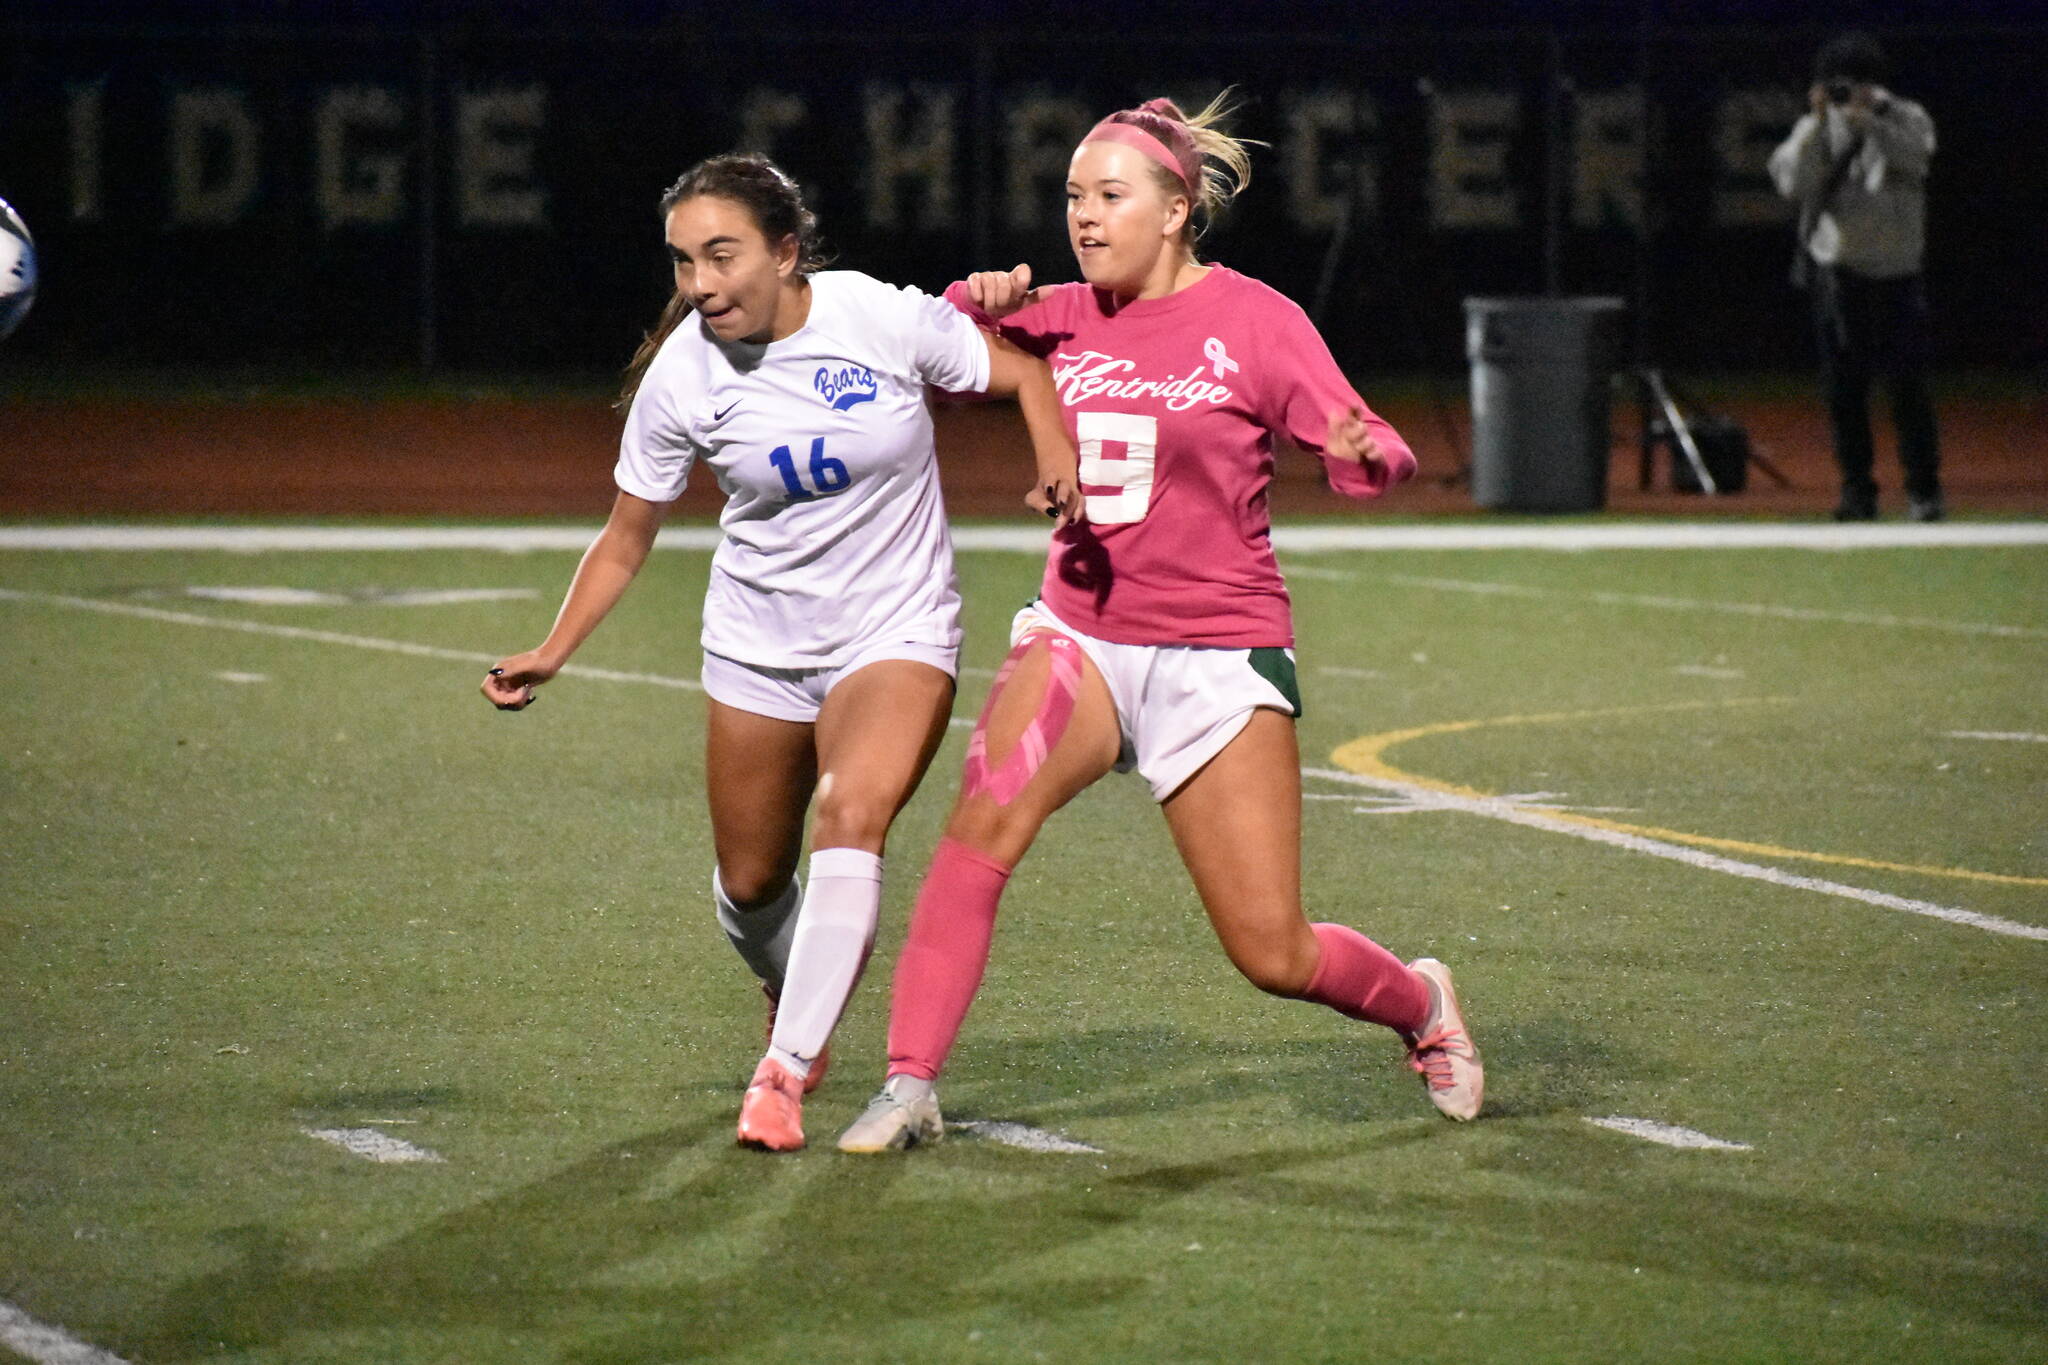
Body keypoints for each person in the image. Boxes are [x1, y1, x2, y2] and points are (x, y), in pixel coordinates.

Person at [836, 95, 1481, 1155]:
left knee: (1271, 951)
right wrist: (971, 294)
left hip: (1215, 658)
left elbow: (1364, 443)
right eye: (1071, 199)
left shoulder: (1258, 321)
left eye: (1108, 196)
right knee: (977, 831)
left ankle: (1418, 1005)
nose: (1082, 218)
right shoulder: (1055, 312)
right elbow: (919, 344)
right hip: (1077, 636)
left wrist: (1373, 454)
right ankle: (908, 1084)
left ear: (1176, 210)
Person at [480, 153, 1080, 1153]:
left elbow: (1018, 368)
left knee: (851, 813)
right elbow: (628, 534)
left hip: (895, 630)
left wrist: (1054, 457)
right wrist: (554, 647)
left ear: (786, 251)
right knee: (751, 886)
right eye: (682, 263)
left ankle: (785, 1074)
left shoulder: (872, 315)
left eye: (721, 255)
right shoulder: (684, 376)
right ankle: (785, 989)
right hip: (758, 647)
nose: (700, 285)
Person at [1770, 30, 1942, 522]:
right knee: (1845, 391)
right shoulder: (1818, 127)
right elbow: (1789, 183)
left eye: (1855, 86)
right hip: (1840, 275)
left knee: (1909, 388)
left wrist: (1874, 123)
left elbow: (1919, 158)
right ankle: (1857, 492)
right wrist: (1818, 123)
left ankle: (1924, 492)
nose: (1849, 96)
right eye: (1837, 86)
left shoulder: (1908, 118)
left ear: (1876, 85)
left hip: (1899, 272)